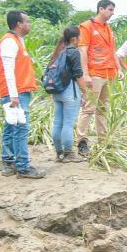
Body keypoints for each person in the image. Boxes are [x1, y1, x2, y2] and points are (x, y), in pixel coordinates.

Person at [0, 9, 44, 178]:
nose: (29, 24)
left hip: (16, 92)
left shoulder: (17, 40)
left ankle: (8, 162)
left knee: (11, 126)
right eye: (27, 21)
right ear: (18, 24)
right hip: (15, 93)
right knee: (21, 128)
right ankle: (23, 167)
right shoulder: (10, 42)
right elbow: (8, 71)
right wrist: (13, 95)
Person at [76, 0, 118, 155]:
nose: (112, 13)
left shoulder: (108, 28)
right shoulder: (87, 26)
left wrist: (118, 69)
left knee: (103, 108)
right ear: (101, 9)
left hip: (109, 72)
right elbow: (82, 50)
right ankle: (82, 142)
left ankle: (103, 141)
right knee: (88, 108)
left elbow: (112, 51)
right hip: (94, 73)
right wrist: (85, 74)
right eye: (110, 9)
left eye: (113, 10)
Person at [47, 25, 86, 162]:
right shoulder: (73, 52)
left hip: (57, 91)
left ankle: (59, 153)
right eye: (79, 37)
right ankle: (68, 153)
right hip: (70, 91)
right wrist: (85, 92)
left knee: (58, 123)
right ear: (74, 38)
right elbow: (78, 74)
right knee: (68, 124)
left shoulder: (59, 50)